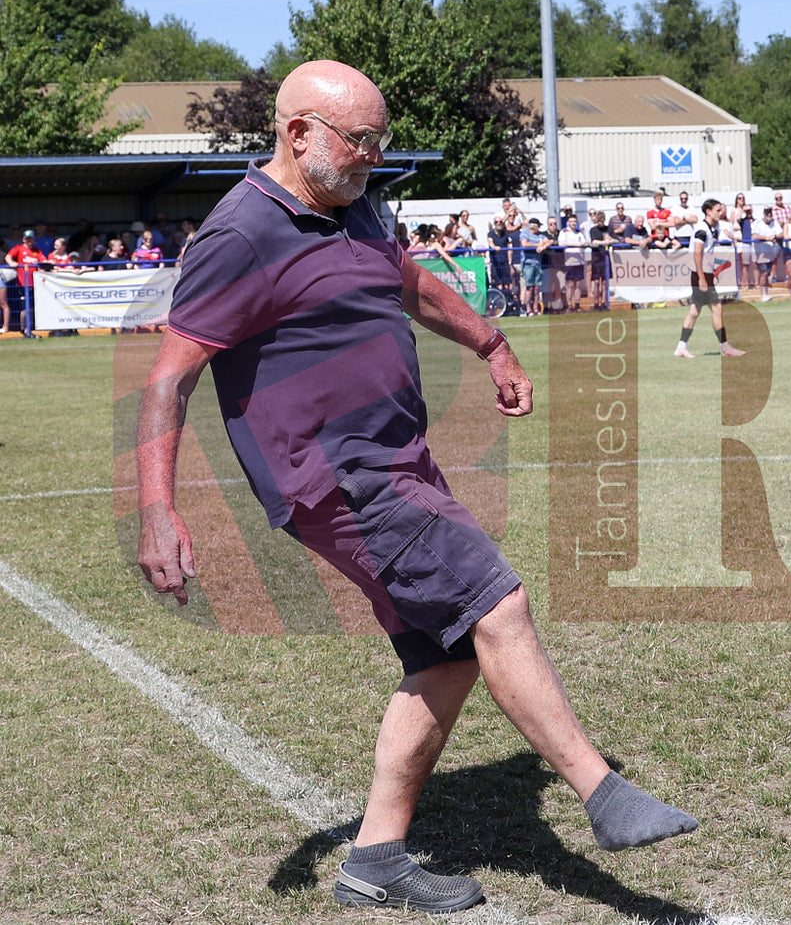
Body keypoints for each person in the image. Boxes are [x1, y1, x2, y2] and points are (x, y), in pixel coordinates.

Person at [135, 61, 697, 915]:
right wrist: (157, 510)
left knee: (446, 653)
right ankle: (600, 791)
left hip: (396, 458)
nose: (372, 156)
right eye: (357, 140)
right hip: (336, 476)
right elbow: (168, 379)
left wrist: (491, 344)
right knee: (494, 604)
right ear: (297, 134)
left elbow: (409, 284)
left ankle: (377, 857)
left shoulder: (354, 201)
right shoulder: (239, 233)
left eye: (378, 139)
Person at [674, 198, 745, 358]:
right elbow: (697, 253)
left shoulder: (714, 227)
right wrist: (701, 277)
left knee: (694, 311)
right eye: (718, 210)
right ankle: (725, 347)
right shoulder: (702, 230)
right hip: (701, 274)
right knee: (716, 308)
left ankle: (681, 347)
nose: (722, 212)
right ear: (708, 211)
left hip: (704, 273)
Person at [4, 228, 44, 334]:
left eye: (31, 238)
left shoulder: (37, 251)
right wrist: (12, 263)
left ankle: (29, 327)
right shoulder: (19, 248)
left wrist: (40, 264)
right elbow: (8, 256)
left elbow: (44, 261)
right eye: (27, 239)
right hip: (22, 283)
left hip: (35, 283)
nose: (29, 241)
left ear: (34, 239)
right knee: (24, 308)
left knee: (31, 307)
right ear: (23, 239)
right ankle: (23, 328)